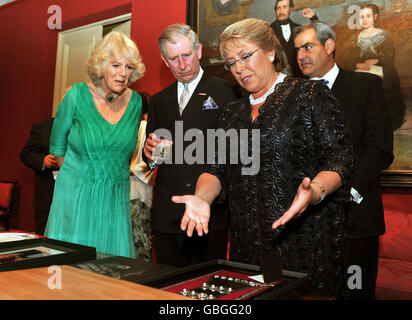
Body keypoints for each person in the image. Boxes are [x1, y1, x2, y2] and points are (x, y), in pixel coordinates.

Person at [174, 18, 355, 298]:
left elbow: (340, 160)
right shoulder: (232, 114)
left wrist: (315, 191)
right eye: (231, 63)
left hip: (305, 241)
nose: (238, 68)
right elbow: (215, 170)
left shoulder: (310, 95)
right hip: (248, 247)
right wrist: (202, 197)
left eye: (245, 56)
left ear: (271, 52)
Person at [293, 21, 394, 299]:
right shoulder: (290, 95)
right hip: (305, 226)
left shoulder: (365, 86)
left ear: (329, 46)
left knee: (354, 294)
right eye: (297, 49)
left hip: (355, 220)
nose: (301, 55)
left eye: (308, 46)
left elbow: (380, 148)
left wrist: (346, 192)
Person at [143, 24, 240, 267]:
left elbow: (233, 154)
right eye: (174, 59)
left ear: (198, 50)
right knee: (167, 288)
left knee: (206, 288)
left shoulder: (228, 92)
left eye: (186, 55)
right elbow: (159, 154)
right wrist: (152, 154)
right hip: (167, 213)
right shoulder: (159, 100)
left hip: (208, 212)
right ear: (164, 61)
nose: (182, 65)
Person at [44, 31, 145, 258]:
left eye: (129, 67)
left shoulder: (136, 102)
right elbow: (57, 145)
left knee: (110, 276)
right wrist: (78, 177)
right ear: (101, 66)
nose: (123, 74)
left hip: (115, 200)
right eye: (116, 65)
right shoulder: (76, 95)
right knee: (70, 273)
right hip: (75, 197)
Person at [345, 4, 406, 131]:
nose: (364, 19)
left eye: (368, 16)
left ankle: (385, 122)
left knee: (385, 85)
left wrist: (377, 61)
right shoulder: (354, 38)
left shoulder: (385, 35)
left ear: (375, 17)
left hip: (383, 69)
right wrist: (357, 64)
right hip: (361, 70)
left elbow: (390, 56)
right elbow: (349, 58)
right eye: (361, 17)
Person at [20, 118, 58, 235]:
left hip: (75, 195)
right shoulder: (43, 126)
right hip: (46, 197)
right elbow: (26, 154)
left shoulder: (84, 127)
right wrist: (43, 160)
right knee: (44, 240)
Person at [130, 92, 154, 262]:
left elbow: (152, 160)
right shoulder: (132, 126)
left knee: (139, 239)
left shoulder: (146, 127)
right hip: (126, 188)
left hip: (138, 188)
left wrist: (130, 170)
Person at [270, 0, 318, 77]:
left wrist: (313, 18)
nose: (281, 11)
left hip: (300, 74)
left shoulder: (298, 28)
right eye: (278, 8)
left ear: (291, 9)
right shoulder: (269, 30)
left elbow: (318, 34)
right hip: (280, 75)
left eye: (284, 7)